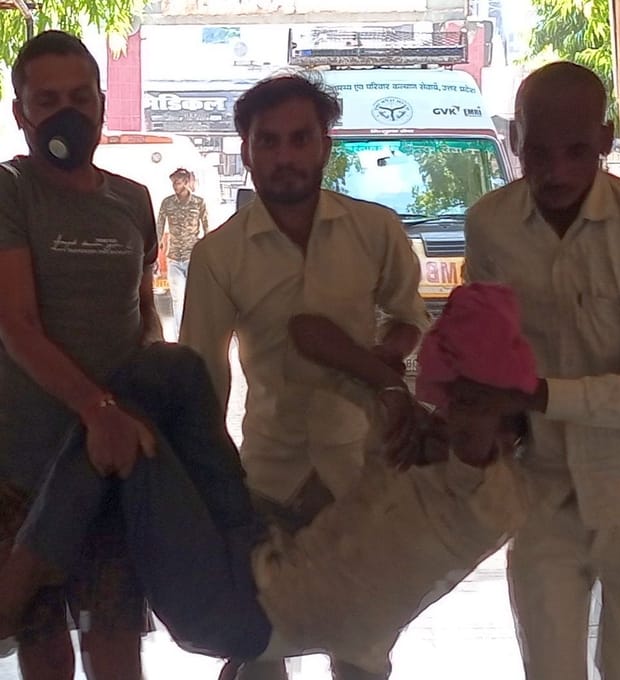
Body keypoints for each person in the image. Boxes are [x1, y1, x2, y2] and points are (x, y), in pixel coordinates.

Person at [0, 283, 532, 680]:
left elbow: (475, 441)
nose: (452, 414)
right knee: (173, 368)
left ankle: (25, 570)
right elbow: (306, 330)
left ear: (506, 427)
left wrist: (466, 408)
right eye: (452, 399)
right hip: (254, 541)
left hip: (233, 607)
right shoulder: (413, 436)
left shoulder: (494, 499)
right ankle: (36, 555)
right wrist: (389, 389)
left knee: (126, 433)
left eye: (472, 404)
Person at [180, 73, 428, 680]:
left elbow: (409, 318)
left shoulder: (375, 230)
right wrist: (211, 485)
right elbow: (203, 377)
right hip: (268, 479)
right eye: (268, 141)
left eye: (300, 139)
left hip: (360, 475)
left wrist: (382, 359)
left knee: (364, 652)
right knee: (261, 650)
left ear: (325, 146)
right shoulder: (220, 254)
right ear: (246, 151)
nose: (284, 156)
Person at [464, 61, 620, 680]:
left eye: (576, 151)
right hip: (541, 493)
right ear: (514, 139)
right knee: (549, 669)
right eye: (537, 152)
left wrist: (534, 395)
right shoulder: (490, 225)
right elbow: (489, 351)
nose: (554, 172)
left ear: (605, 140)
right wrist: (479, 420)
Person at [0, 30, 163, 680]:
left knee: (116, 647)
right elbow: (16, 323)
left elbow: (144, 312)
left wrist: (144, 400)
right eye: (47, 101)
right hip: (24, 466)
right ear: (21, 113)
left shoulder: (134, 200)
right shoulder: (9, 191)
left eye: (79, 97)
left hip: (114, 466)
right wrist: (97, 410)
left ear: (100, 102)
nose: (66, 113)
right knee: (43, 649)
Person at [156, 167, 209, 337]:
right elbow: (159, 227)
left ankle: (197, 334)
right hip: (173, 257)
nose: (175, 186)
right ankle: (181, 336)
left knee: (194, 299)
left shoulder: (199, 203)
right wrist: (156, 251)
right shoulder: (167, 203)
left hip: (193, 257)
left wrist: (208, 252)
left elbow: (207, 227)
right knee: (178, 300)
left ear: (186, 183)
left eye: (178, 183)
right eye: (173, 183)